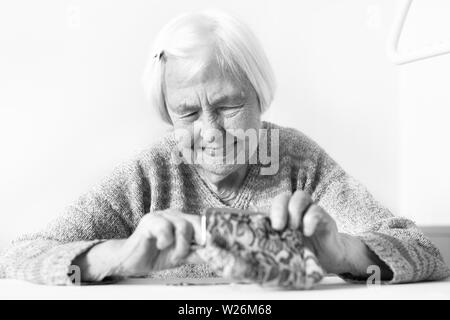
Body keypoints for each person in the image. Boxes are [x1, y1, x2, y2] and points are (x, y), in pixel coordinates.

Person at [0, 10, 448, 285]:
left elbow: (425, 252)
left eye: (228, 105)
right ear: (168, 114)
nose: (211, 132)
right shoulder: (150, 173)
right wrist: (114, 256)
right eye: (188, 114)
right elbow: (18, 255)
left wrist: (344, 253)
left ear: (259, 96)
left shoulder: (297, 160)